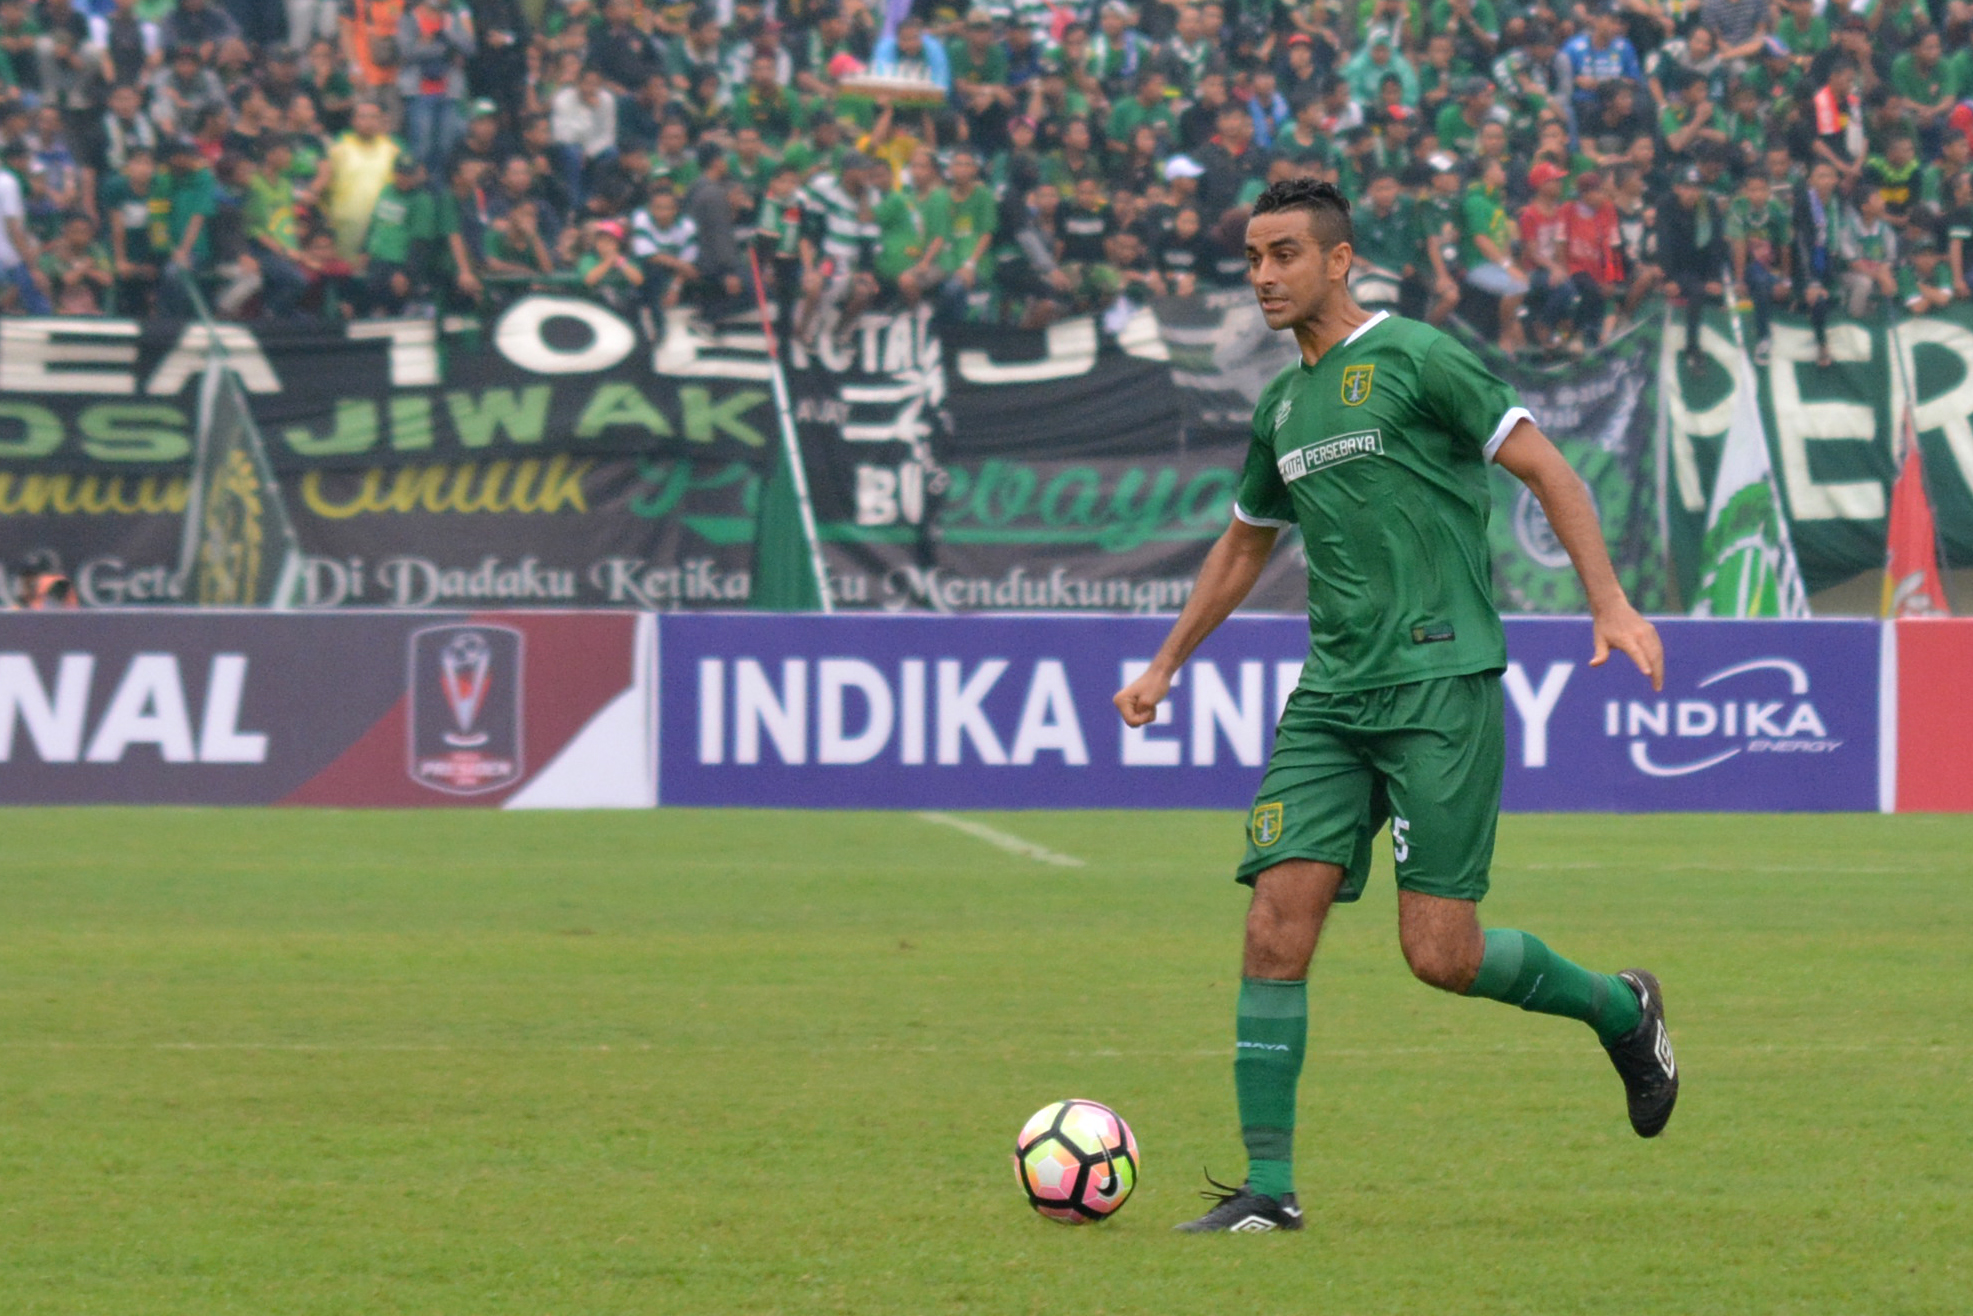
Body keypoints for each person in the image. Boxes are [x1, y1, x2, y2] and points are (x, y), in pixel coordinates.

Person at [1111, 177, 1676, 1234]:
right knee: (1275, 917)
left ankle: (1617, 1005)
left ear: (1338, 260)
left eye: (1283, 253)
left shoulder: (1417, 358)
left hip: (1436, 684)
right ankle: (1266, 1188)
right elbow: (1244, 542)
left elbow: (1544, 466)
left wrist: (1606, 599)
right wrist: (1165, 663)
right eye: (1250, 257)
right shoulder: (1281, 406)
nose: (1263, 275)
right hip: (1331, 694)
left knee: (1440, 955)